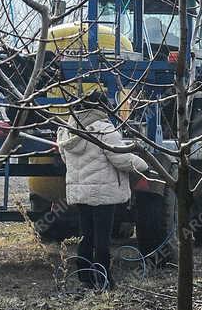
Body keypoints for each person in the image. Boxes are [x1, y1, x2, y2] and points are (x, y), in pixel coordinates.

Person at [57, 94, 148, 291]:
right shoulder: (105, 130)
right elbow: (121, 159)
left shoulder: (66, 131)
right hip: (104, 194)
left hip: (81, 193)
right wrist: (144, 165)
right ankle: (103, 278)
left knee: (86, 235)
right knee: (102, 238)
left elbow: (66, 158)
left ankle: (85, 276)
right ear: (102, 108)